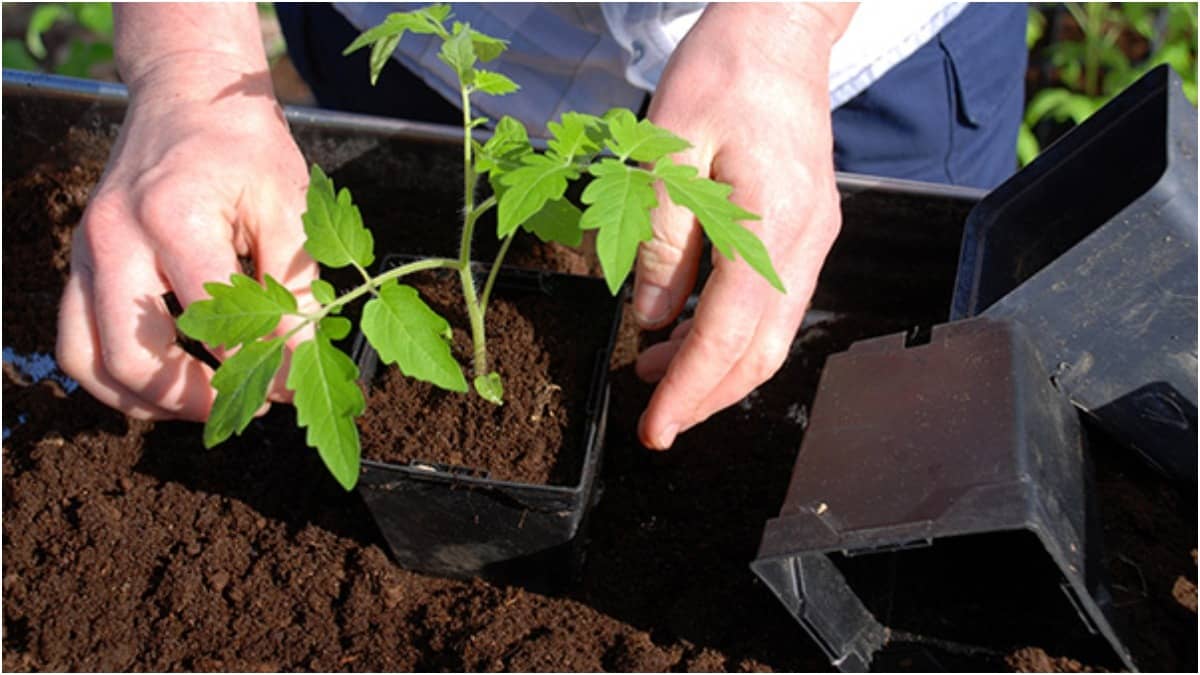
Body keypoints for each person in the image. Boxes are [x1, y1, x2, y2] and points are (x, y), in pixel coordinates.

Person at [56, 3, 1026, 451]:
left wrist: (791, 21)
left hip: (854, 66)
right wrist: (186, 61)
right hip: (442, 40)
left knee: (887, 384)